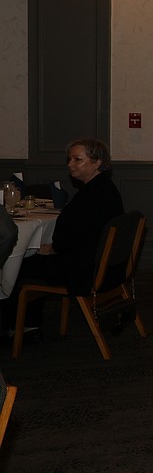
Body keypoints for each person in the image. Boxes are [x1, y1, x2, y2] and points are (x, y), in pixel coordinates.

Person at [4, 139, 124, 332]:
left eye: (78, 159)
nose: (70, 164)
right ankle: (27, 323)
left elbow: (68, 237)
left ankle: (18, 326)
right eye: (70, 159)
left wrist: (53, 248)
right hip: (105, 266)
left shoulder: (92, 195)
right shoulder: (104, 189)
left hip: (83, 270)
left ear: (97, 163)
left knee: (18, 264)